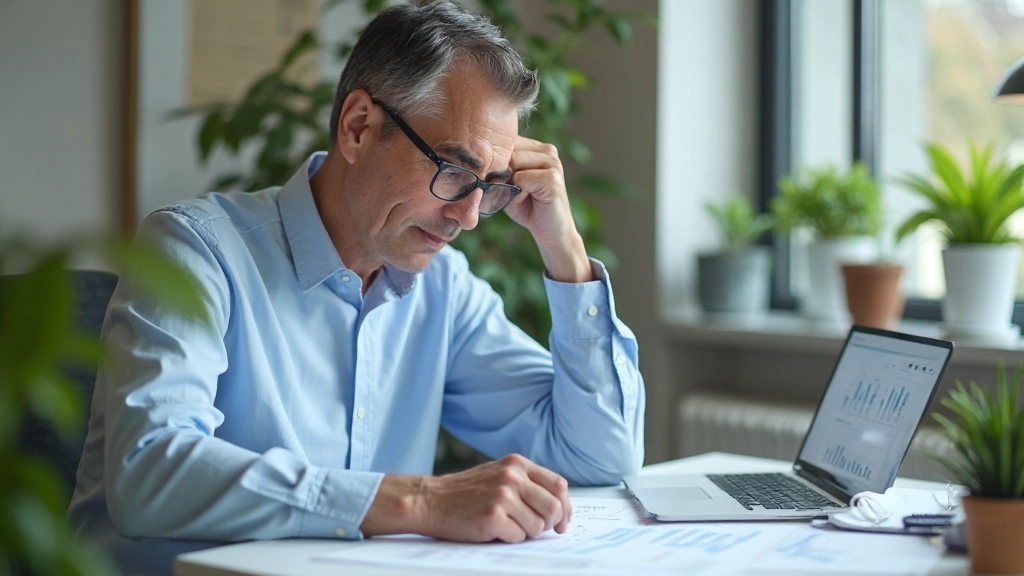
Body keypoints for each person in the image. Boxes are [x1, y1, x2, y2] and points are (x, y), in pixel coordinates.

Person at [68, 2, 646, 574]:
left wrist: (564, 249)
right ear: (359, 128)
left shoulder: (443, 288)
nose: (469, 218)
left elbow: (600, 455)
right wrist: (423, 501)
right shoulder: (196, 250)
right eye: (452, 169)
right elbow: (148, 471)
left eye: (490, 186)